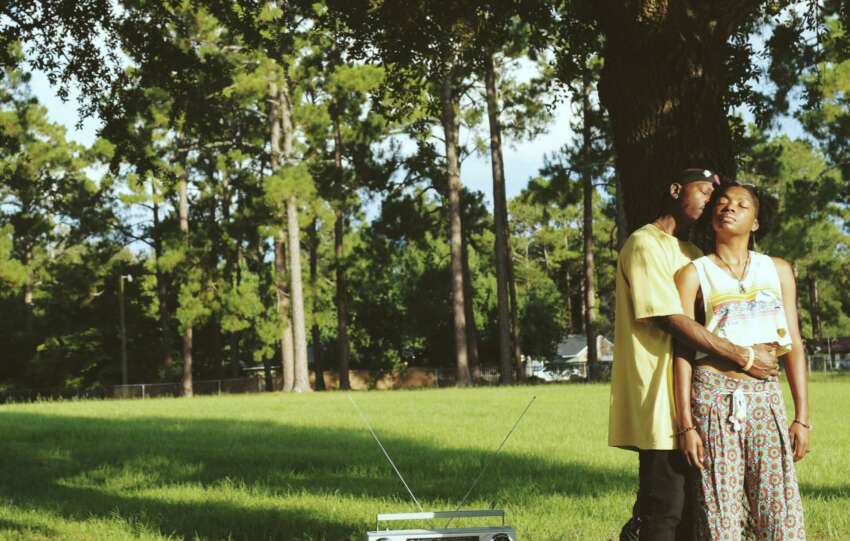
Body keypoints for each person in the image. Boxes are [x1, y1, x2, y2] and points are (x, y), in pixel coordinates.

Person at [609, 168, 780, 541]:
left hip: (700, 396)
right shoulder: (645, 244)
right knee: (665, 507)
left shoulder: (693, 254)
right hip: (660, 397)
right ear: (675, 190)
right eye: (704, 192)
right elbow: (670, 319)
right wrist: (744, 356)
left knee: (696, 509)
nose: (711, 202)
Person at [672, 182, 809, 540]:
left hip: (766, 398)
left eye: (741, 204)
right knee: (720, 516)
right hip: (713, 399)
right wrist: (686, 426)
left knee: (779, 514)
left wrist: (802, 418)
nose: (729, 207)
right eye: (722, 202)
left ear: (756, 223)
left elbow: (794, 343)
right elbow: (682, 349)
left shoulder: (777, 270)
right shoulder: (693, 274)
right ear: (712, 217)